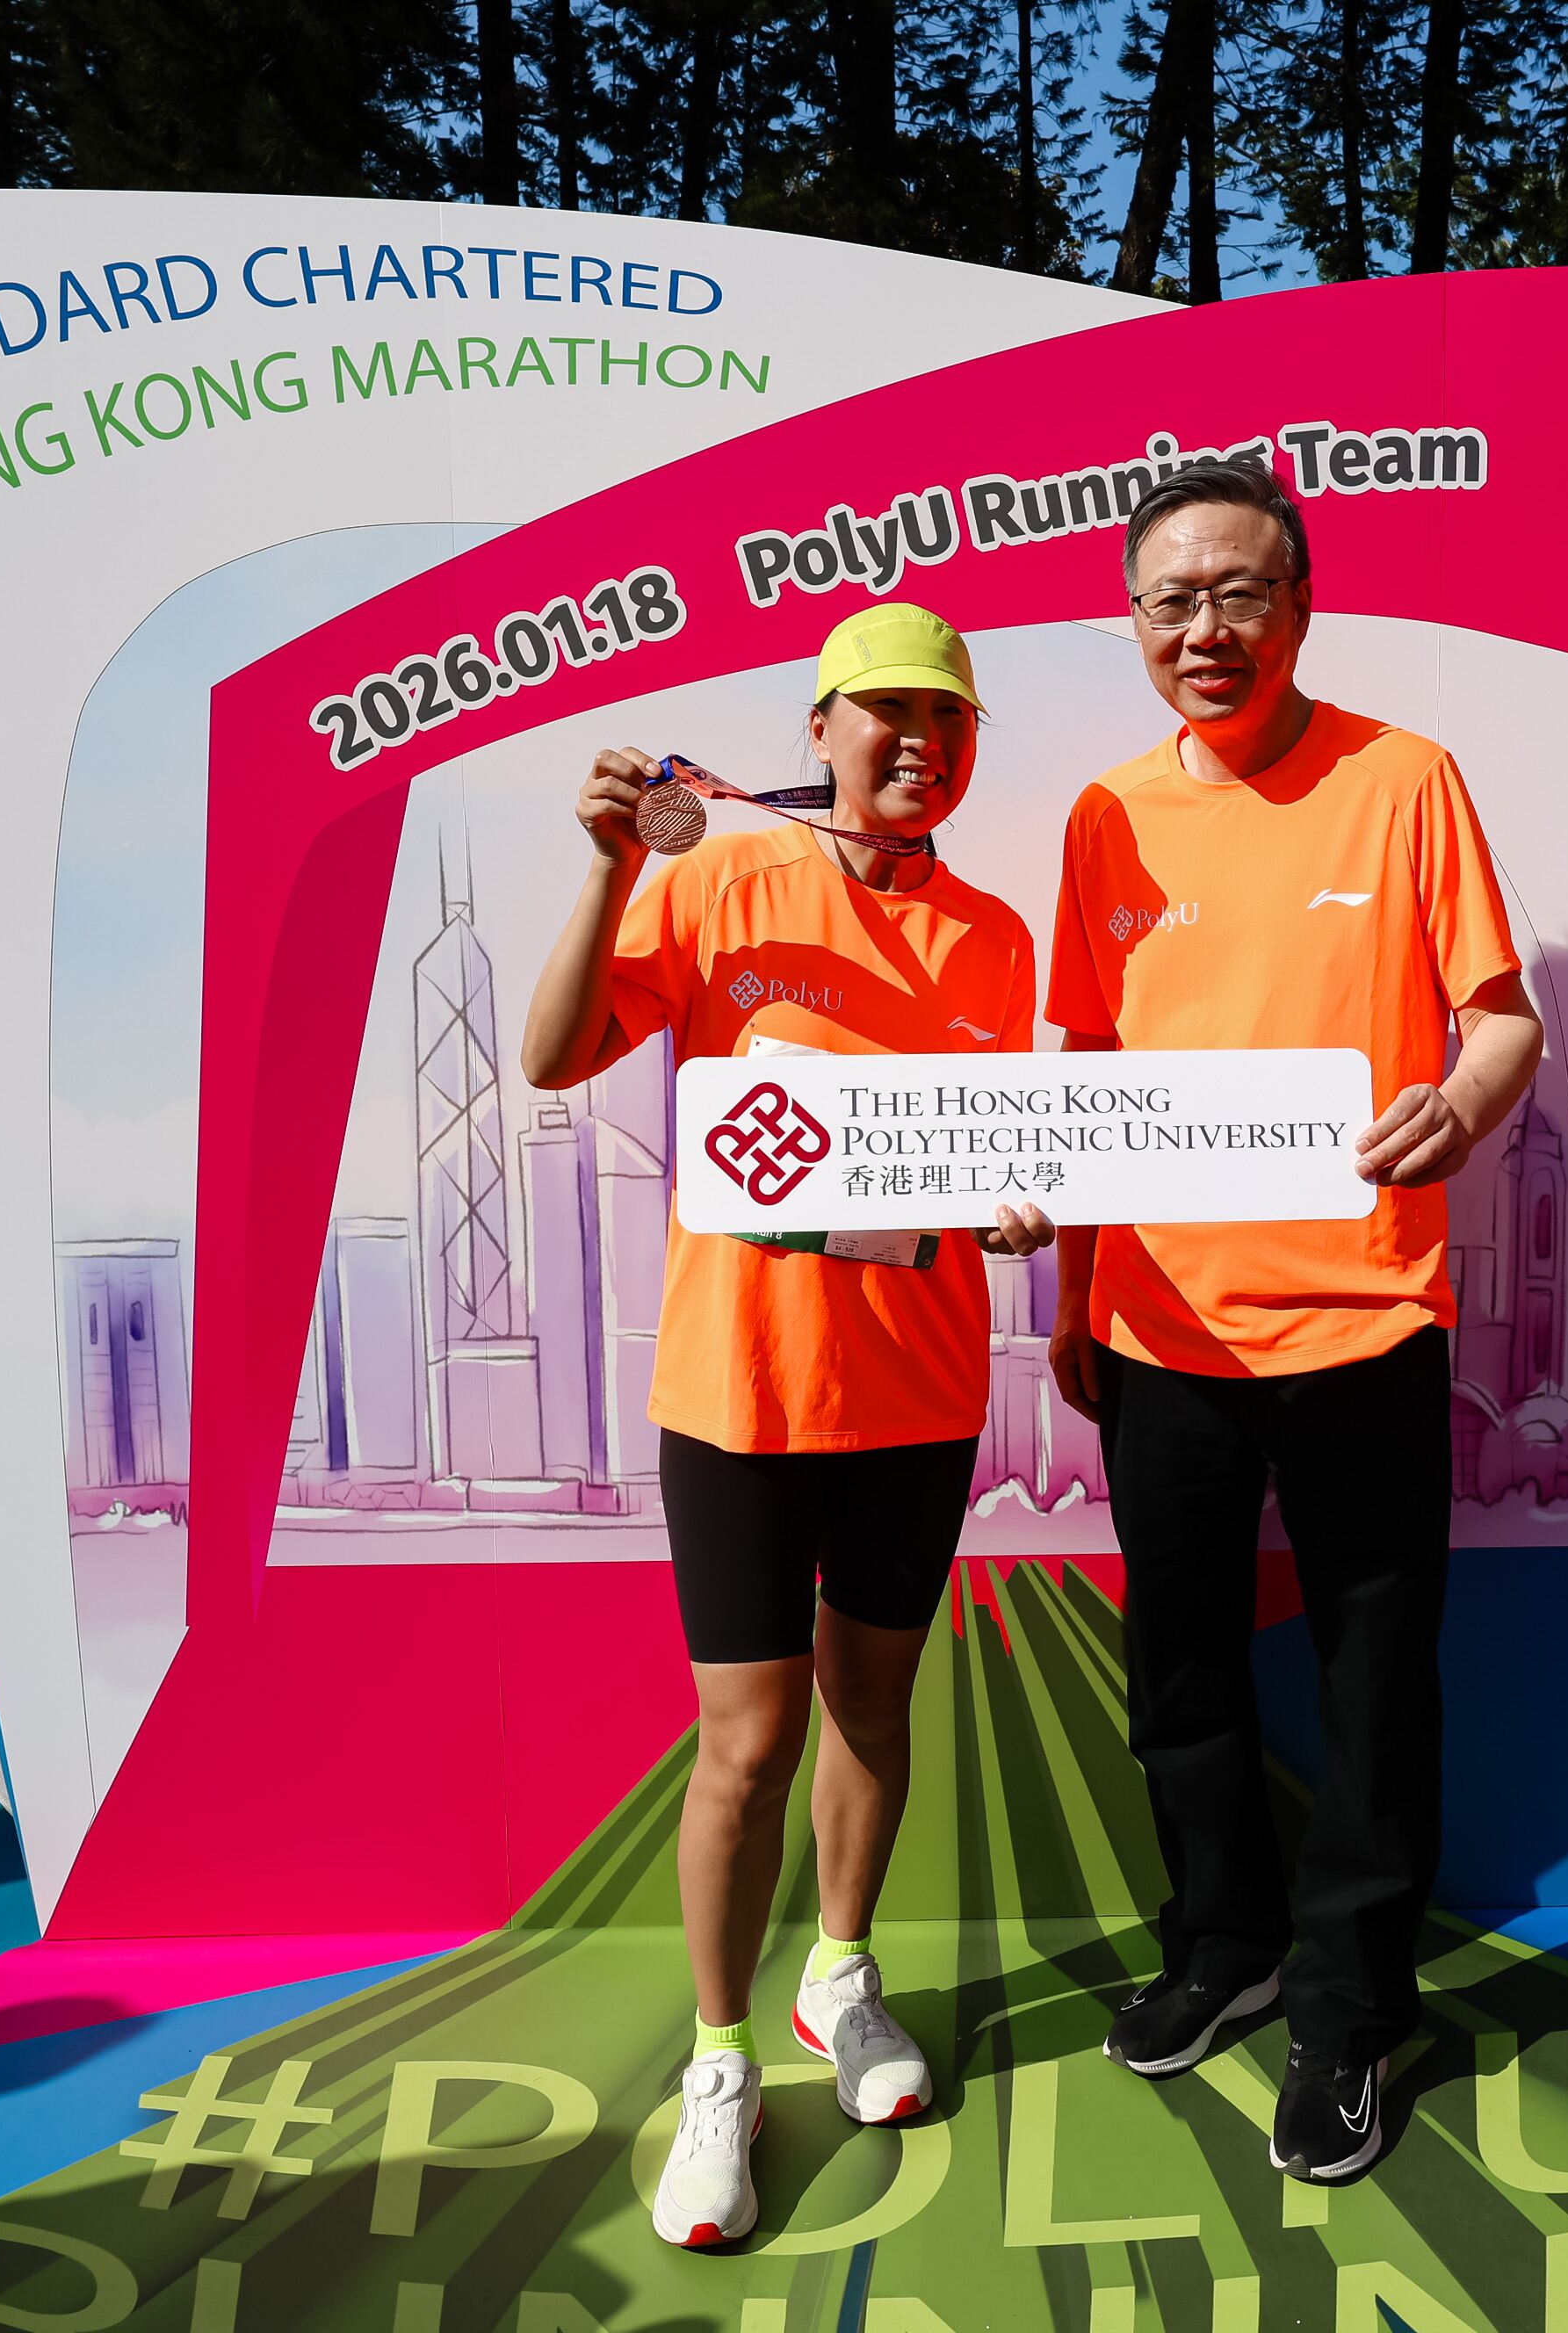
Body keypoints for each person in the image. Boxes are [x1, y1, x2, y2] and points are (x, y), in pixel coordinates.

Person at [521, 604, 1052, 2250]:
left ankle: (838, 1973)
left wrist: (1017, 1199)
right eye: (882, 713)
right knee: (743, 1748)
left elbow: (978, 1153)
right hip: (741, 1393)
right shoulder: (712, 876)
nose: (914, 742)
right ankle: (719, 2063)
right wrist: (611, 860)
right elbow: (550, 1060)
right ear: (818, 726)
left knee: (873, 1710)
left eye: (943, 720)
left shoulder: (998, 932)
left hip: (917, 1392)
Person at [1045, 459, 1543, 2181]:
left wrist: (1461, 1108)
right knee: (1178, 1675)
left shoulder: (1406, 782)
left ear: (1301, 610)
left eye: (1241, 593)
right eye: (1173, 600)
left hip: (1363, 1321)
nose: (1207, 627)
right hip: (1160, 1329)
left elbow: (1502, 1016)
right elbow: (1084, 1072)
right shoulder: (1103, 816)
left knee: (1373, 1683)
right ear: (1132, 624)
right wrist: (1068, 1287)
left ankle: (1353, 2008)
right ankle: (1221, 1942)